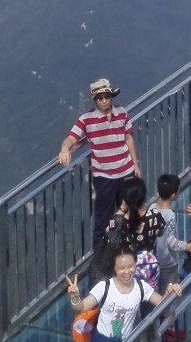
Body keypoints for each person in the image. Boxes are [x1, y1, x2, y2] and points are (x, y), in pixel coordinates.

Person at [57, 78, 140, 249]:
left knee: (129, 215)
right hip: (104, 177)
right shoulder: (86, 120)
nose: (104, 100)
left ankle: (128, 252)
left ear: (111, 97)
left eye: (106, 96)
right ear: (95, 100)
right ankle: (100, 260)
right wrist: (64, 149)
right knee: (103, 220)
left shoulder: (122, 113)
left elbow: (128, 138)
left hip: (126, 171)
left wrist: (135, 164)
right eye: (100, 97)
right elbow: (71, 138)